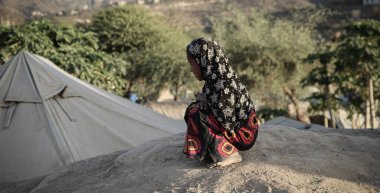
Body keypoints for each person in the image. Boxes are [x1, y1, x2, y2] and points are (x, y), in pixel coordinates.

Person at [183, 38, 259, 168]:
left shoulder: (223, 85)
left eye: (192, 64)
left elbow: (227, 120)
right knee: (195, 109)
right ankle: (214, 149)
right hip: (237, 129)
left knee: (196, 113)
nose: (191, 70)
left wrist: (206, 101)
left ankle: (231, 154)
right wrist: (205, 100)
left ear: (202, 61)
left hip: (243, 135)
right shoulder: (215, 78)